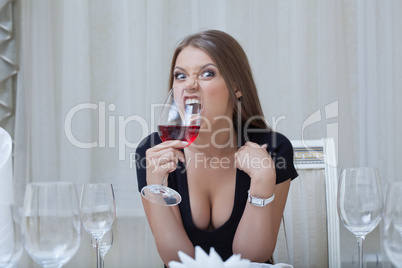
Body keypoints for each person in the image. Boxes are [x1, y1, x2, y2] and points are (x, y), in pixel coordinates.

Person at [136, 29, 298, 267]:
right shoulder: (154, 152)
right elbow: (175, 260)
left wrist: (262, 181)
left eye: (207, 73)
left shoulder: (273, 149)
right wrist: (155, 185)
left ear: (236, 87)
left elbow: (252, 257)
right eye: (180, 76)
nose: (190, 85)